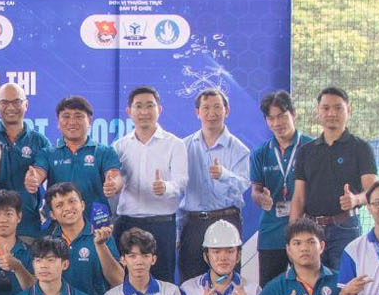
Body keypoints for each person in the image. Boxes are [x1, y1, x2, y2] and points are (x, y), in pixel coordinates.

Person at [109, 86, 187, 282]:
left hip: (161, 224)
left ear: (159, 109)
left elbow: (181, 182)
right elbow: (116, 176)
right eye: (138, 106)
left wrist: (165, 187)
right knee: (123, 280)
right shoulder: (119, 146)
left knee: (163, 281)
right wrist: (114, 185)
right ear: (129, 111)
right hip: (127, 223)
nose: (144, 112)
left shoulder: (175, 144)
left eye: (150, 106)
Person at [294, 87, 377, 268]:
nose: (331, 113)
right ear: (318, 112)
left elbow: (373, 192)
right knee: (311, 281)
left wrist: (355, 199)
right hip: (311, 231)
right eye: (326, 108)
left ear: (349, 110)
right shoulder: (306, 151)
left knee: (344, 281)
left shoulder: (361, 148)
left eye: (338, 108)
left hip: (346, 228)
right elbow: (298, 197)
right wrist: (293, 234)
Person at [178, 88, 252, 280]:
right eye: (206, 108)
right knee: (190, 281)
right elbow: (178, 191)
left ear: (227, 110)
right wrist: (178, 231)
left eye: (217, 107)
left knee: (226, 281)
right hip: (193, 223)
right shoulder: (183, 147)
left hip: (226, 219)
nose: (212, 113)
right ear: (197, 112)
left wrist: (224, 175)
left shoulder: (239, 149)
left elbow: (244, 184)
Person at [30, 95, 123, 239]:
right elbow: (38, 172)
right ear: (58, 122)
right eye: (66, 116)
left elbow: (115, 175)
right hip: (58, 229)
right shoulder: (48, 153)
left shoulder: (104, 152)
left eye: (78, 116)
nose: (72, 122)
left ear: (89, 120)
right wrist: (33, 179)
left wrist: (114, 184)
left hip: (96, 228)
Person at [0, 82, 51, 238]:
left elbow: (42, 169)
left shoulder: (40, 141)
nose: (10, 107)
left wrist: (35, 179)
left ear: (26, 105)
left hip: (28, 228)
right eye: (4, 102)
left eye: (16, 102)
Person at [249, 90, 305, 283]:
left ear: (293, 114)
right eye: (271, 118)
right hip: (271, 233)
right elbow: (255, 190)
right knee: (270, 288)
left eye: (281, 116)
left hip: (304, 231)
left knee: (307, 285)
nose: (276, 123)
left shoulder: (311, 147)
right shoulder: (260, 153)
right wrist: (261, 199)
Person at [40, 182, 123, 295]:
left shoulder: (103, 236)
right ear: (52, 214)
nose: (67, 208)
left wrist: (101, 246)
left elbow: (118, 281)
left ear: (82, 205)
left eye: (72, 201)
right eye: (59, 205)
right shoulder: (47, 243)